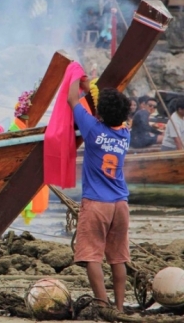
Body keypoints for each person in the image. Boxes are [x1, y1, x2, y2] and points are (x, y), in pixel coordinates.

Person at [67, 80, 131, 313]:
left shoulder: (92, 130)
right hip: (120, 204)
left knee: (92, 256)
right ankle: (121, 308)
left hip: (96, 203)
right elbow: (112, 117)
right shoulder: (125, 134)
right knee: (118, 258)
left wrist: (74, 76)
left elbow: (72, 99)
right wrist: (91, 87)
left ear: (100, 114)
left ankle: (103, 305)